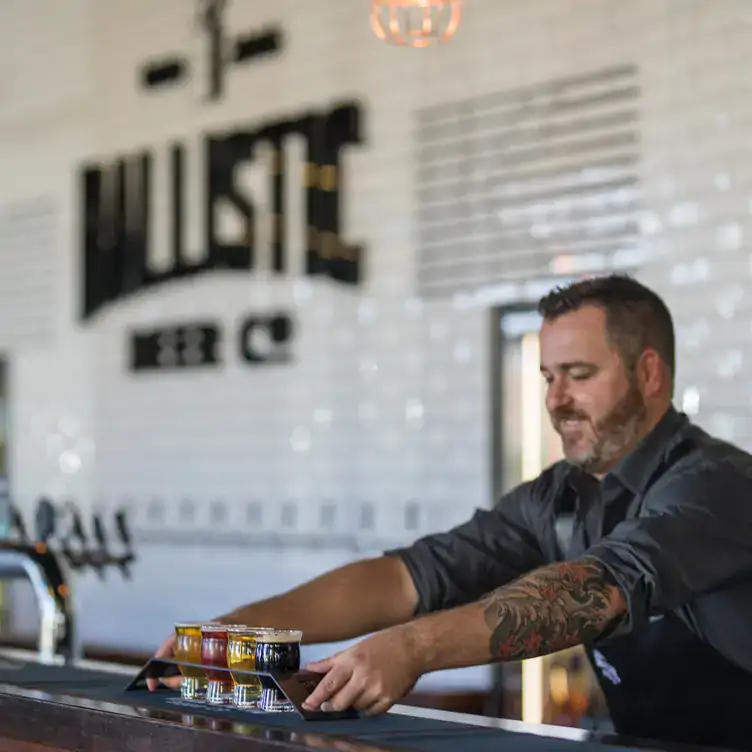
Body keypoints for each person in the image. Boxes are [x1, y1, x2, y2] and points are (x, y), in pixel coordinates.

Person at [149, 274, 752, 749]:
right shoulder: (560, 497)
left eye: (579, 375)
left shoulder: (716, 486)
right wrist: (233, 633)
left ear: (649, 373)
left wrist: (414, 649)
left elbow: (602, 587)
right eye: (547, 377)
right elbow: (413, 575)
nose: (555, 400)